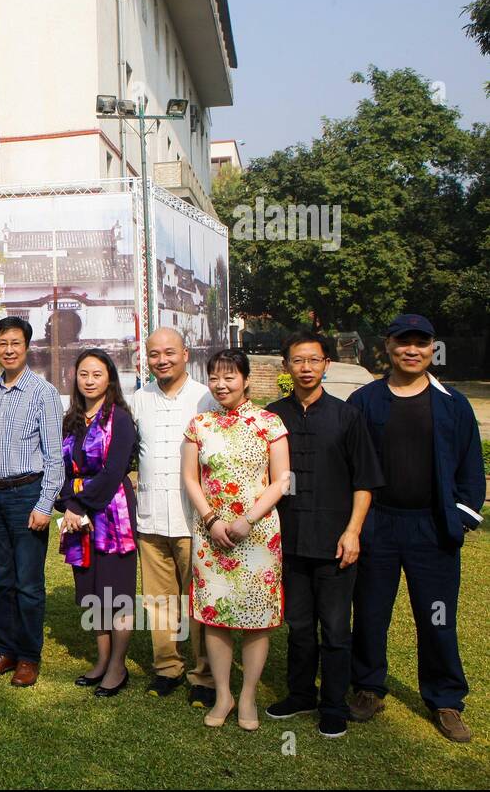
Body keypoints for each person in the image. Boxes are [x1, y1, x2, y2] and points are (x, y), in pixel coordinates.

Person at [346, 314, 484, 743]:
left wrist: (459, 516)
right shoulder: (364, 401)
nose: (412, 350)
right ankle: (368, 687)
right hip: (378, 526)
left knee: (437, 617)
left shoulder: (453, 404)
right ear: (387, 347)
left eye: (420, 343)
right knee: (370, 613)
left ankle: (445, 699)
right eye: (403, 342)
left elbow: (470, 467)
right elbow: (348, 463)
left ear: (431, 348)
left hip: (433, 528)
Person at [264, 332, 382, 738]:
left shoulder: (347, 416)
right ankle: (301, 693)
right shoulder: (272, 417)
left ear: (326, 364)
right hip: (290, 539)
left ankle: (333, 703)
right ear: (286, 366)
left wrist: (353, 531)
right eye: (298, 360)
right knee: (298, 625)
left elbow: (364, 481)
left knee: (334, 627)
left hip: (335, 540)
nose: (306, 367)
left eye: (314, 360)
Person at [181, 348, 289, 730]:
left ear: (245, 379)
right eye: (214, 377)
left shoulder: (269, 423)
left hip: (257, 534)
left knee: (258, 617)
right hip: (212, 535)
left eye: (229, 377)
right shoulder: (199, 424)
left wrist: (248, 519)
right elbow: (191, 479)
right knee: (217, 616)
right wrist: (211, 520)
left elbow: (282, 481)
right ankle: (224, 693)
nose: (221, 384)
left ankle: (248, 696)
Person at [0, 317, 64, 688]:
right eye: (2, 344)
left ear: (27, 347)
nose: (8, 350)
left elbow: (54, 456)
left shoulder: (42, 393)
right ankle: (6, 650)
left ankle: (28, 656)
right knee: (2, 578)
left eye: (16, 343)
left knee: (28, 582)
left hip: (28, 493)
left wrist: (44, 504)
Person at [130, 327, 219, 707]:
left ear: (185, 353)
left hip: (194, 519)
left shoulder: (207, 397)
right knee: (158, 599)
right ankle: (167, 667)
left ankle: (205, 674)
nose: (161, 360)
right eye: (154, 354)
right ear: (146, 359)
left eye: (169, 352)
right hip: (150, 519)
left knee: (198, 600)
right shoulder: (138, 400)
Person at [57, 349, 138, 696]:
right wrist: (70, 506)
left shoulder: (118, 419)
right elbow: (61, 468)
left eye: (97, 374)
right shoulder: (72, 418)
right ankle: (102, 659)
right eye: (84, 374)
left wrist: (80, 506)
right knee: (92, 592)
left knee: (115, 592)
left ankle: (118, 666)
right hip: (79, 515)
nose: (89, 381)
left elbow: (113, 472)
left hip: (111, 514)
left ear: (110, 379)